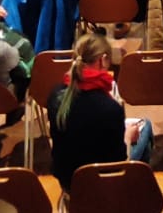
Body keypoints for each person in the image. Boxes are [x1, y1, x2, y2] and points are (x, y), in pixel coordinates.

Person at [47, 35, 150, 189]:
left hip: (68, 184)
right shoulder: (111, 109)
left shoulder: (55, 96)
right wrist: (127, 137)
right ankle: (131, 195)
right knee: (146, 127)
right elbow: (120, 162)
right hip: (105, 186)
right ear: (102, 60)